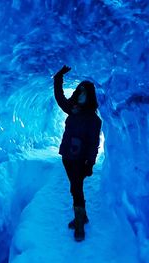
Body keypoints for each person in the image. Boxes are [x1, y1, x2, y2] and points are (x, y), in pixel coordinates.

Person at [53, 65, 102, 242]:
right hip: (67, 156)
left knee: (76, 188)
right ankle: (83, 216)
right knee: (75, 187)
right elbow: (59, 98)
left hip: (80, 160)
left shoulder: (94, 120)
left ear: (89, 96)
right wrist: (59, 77)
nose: (80, 94)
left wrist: (90, 162)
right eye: (79, 91)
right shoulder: (72, 110)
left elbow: (93, 144)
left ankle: (80, 223)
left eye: (84, 92)